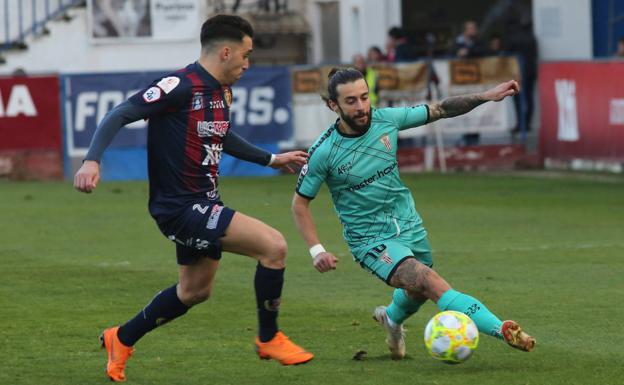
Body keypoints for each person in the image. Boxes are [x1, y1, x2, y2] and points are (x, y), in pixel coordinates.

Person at [74, 15, 313, 382]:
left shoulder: (222, 91)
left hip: (204, 203)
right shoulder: (179, 86)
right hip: (182, 208)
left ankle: (120, 338)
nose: (248, 64)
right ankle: (269, 339)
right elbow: (119, 113)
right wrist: (92, 160)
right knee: (274, 247)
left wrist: (271, 159)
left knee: (194, 291)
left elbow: (222, 134)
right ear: (226, 51)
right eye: (246, 55)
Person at [291, 68, 535, 360]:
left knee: (417, 290)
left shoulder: (387, 120)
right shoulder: (324, 151)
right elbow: (299, 204)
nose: (361, 107)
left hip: (408, 224)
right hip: (370, 240)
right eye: (351, 101)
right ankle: (502, 328)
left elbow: (441, 109)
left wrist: (487, 96)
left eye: (365, 98)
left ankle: (391, 320)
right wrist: (316, 250)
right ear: (334, 105)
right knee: (428, 281)